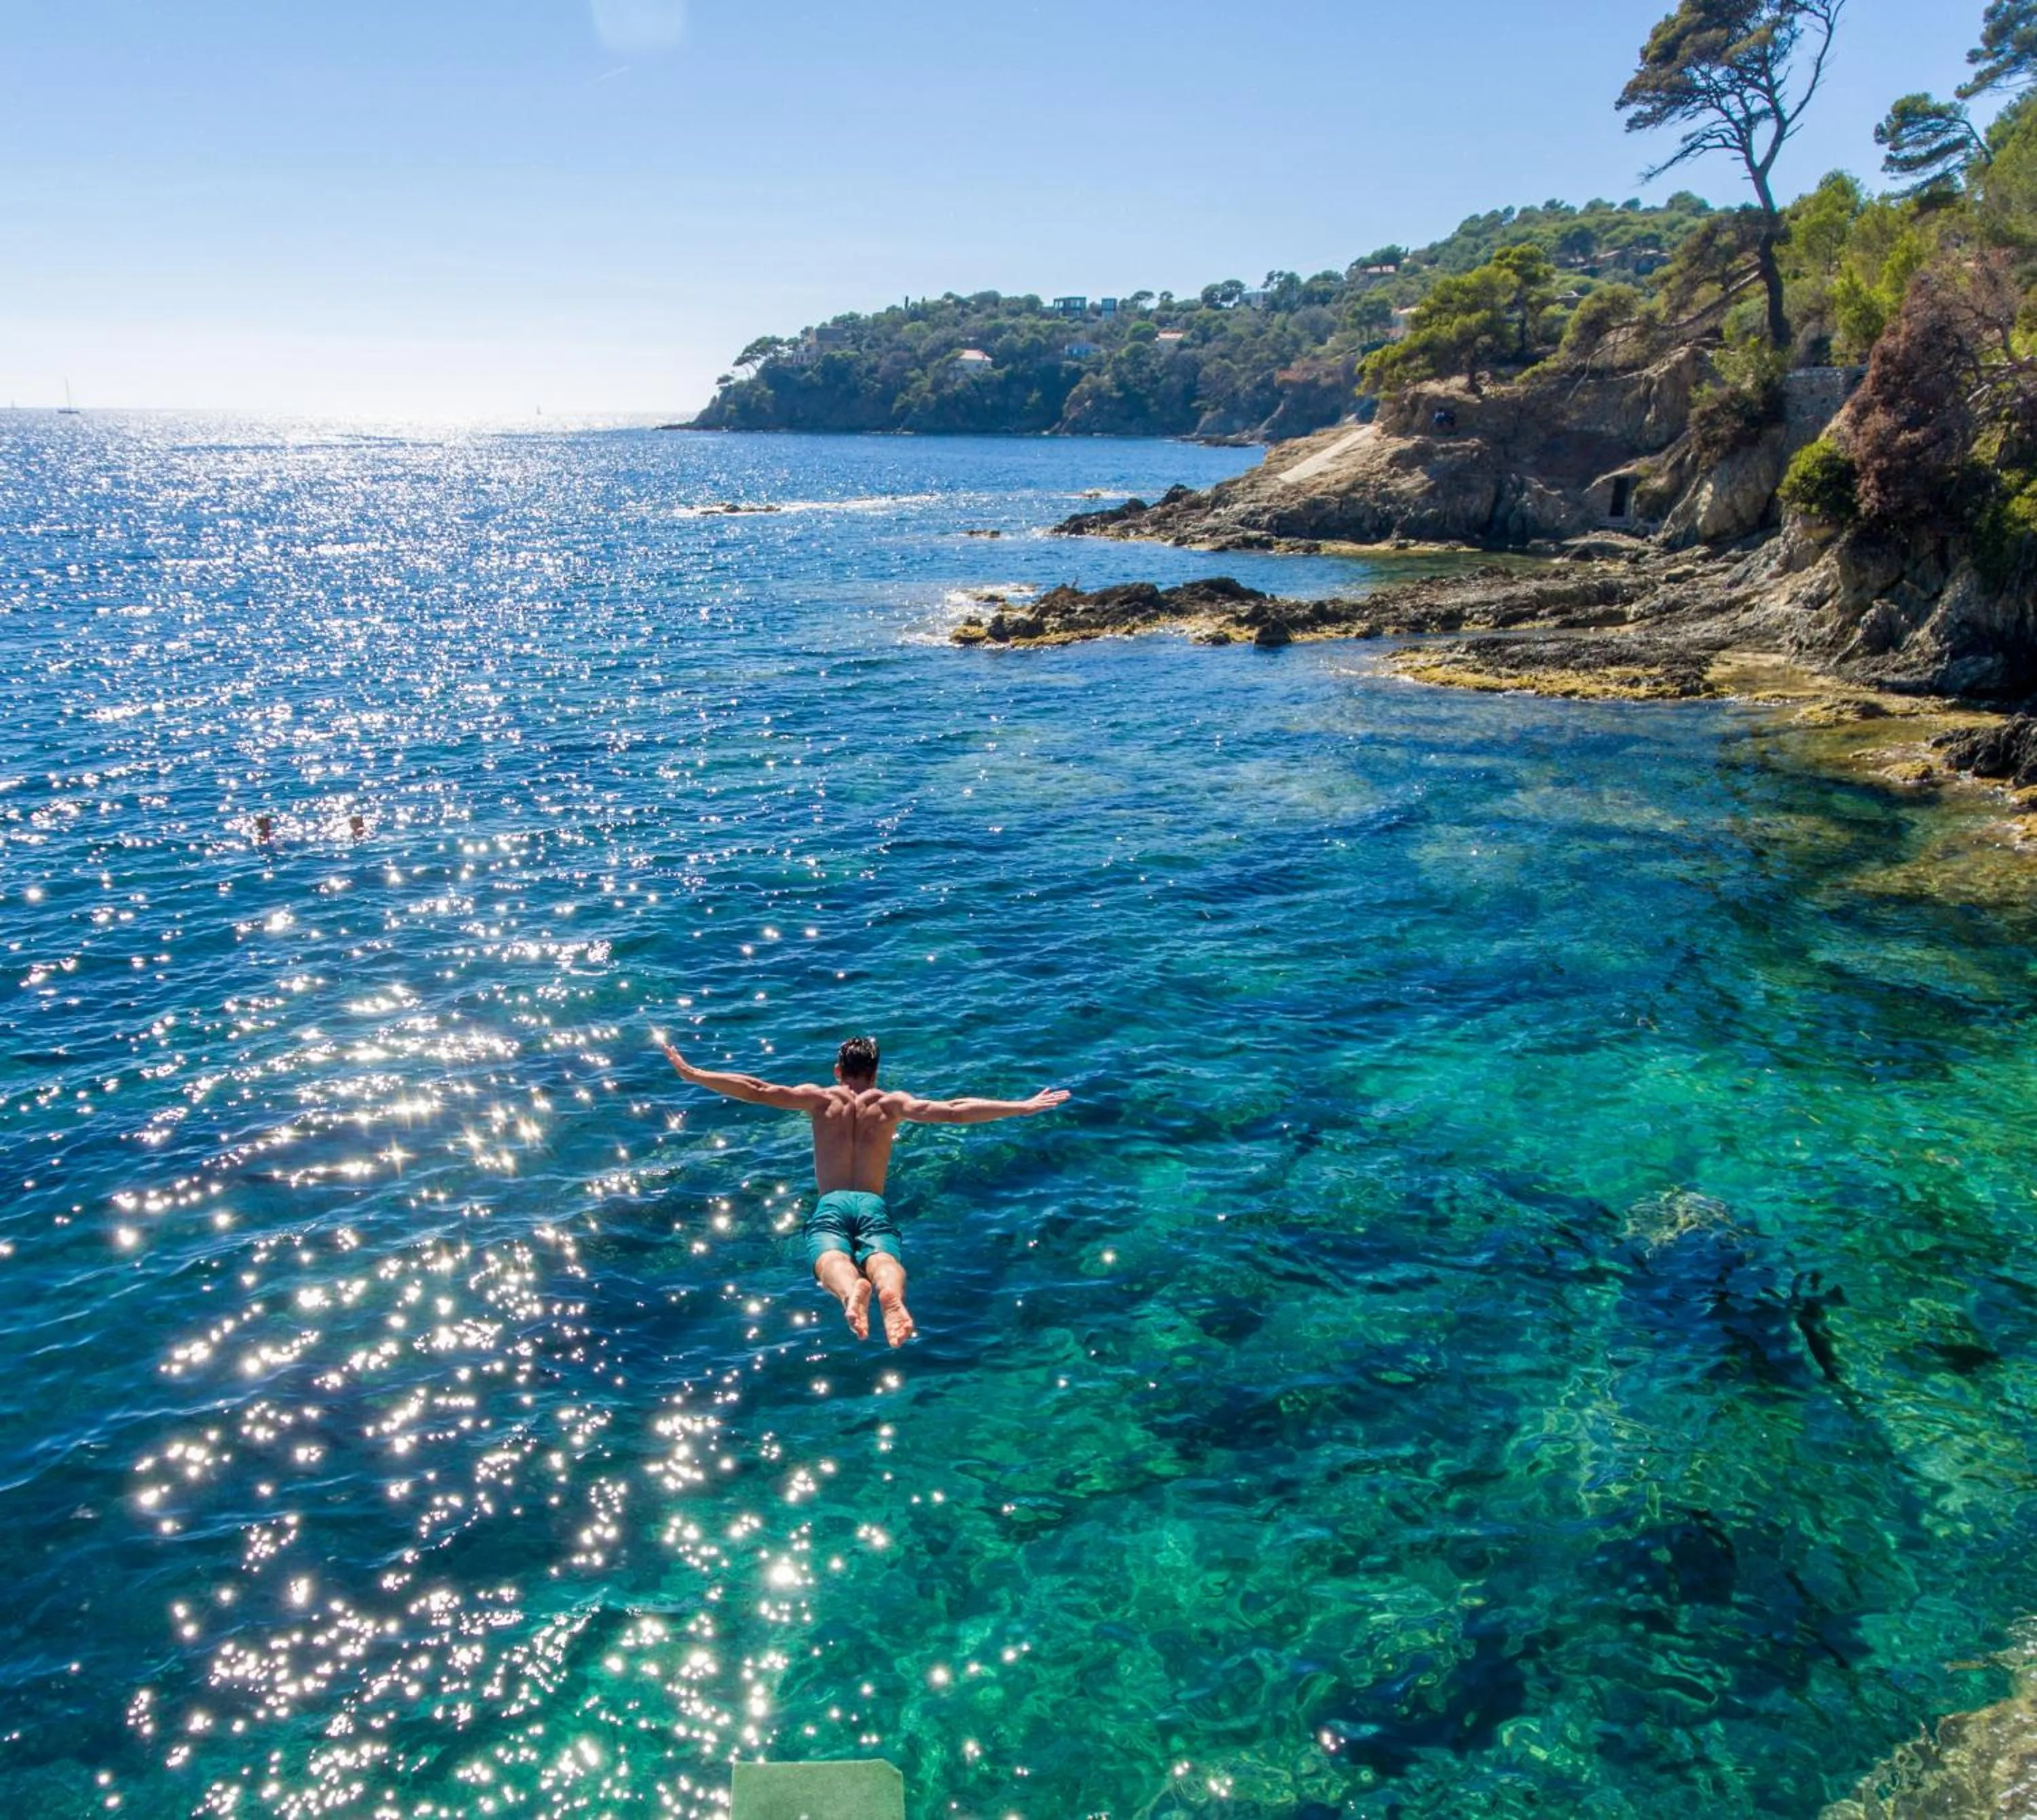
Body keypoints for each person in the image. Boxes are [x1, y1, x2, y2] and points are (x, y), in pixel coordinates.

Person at [658, 1034, 1070, 1346]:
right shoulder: (891, 1104)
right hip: (872, 1204)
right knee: (883, 1257)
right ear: (875, 1074)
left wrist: (694, 1074)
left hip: (832, 1203)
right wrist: (1021, 1106)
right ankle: (888, 1292)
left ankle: (851, 1291)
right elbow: (954, 1111)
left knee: (830, 1258)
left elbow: (757, 1089)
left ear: (837, 1071)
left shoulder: (820, 1100)